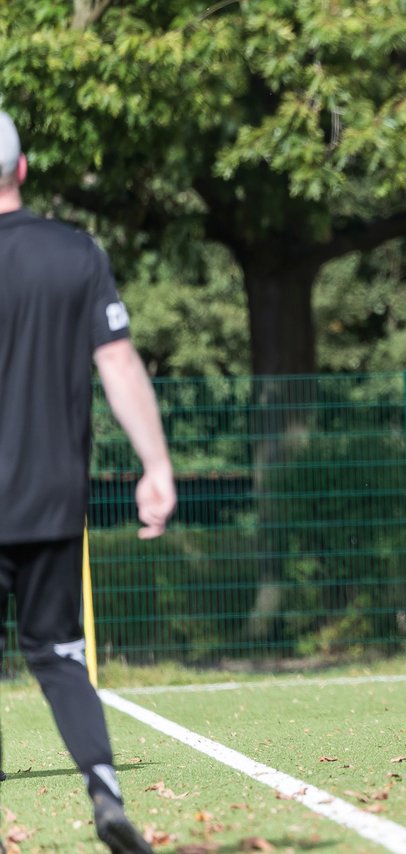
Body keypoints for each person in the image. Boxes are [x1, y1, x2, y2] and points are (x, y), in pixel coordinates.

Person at [0, 110, 176, 852]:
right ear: (24, 168)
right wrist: (156, 464)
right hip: (48, 497)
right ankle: (104, 792)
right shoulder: (76, 252)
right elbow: (119, 364)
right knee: (60, 656)